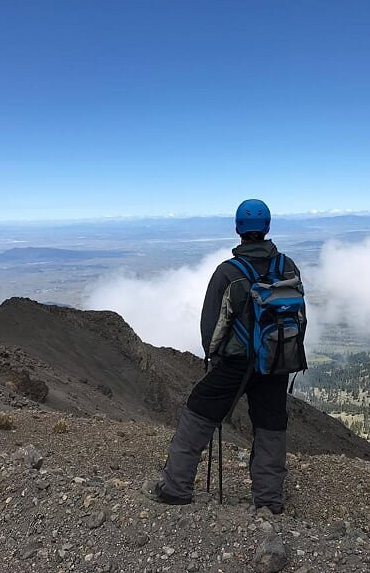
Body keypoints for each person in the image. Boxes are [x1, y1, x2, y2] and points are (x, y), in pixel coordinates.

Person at [143, 198, 307, 513]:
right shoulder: (288, 266)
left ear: (238, 229)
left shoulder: (228, 272)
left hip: (234, 365)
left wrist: (213, 359)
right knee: (271, 427)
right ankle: (270, 501)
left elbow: (211, 327)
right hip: (276, 362)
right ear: (268, 227)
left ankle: (175, 488)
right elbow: (299, 317)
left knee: (196, 414)